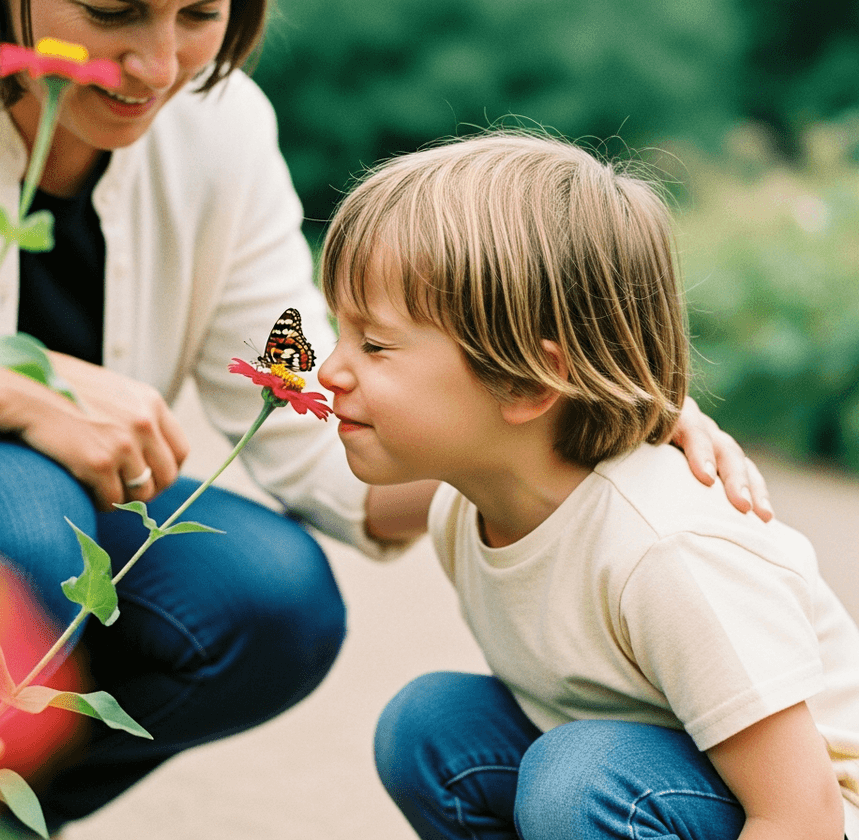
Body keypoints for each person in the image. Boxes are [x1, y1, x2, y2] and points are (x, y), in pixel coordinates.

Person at [0, 0, 769, 832]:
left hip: (48, 536)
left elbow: (292, 381)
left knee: (269, 595)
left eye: (200, 14)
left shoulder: (221, 122)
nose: (156, 65)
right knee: (21, 512)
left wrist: (574, 432)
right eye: (112, 12)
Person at [316, 131, 859, 840]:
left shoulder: (667, 548)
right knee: (431, 727)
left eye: (374, 345)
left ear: (524, 381)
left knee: (581, 778)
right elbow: (313, 487)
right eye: (340, 334)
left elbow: (800, 816)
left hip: (818, 812)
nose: (329, 372)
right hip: (656, 778)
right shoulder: (468, 494)